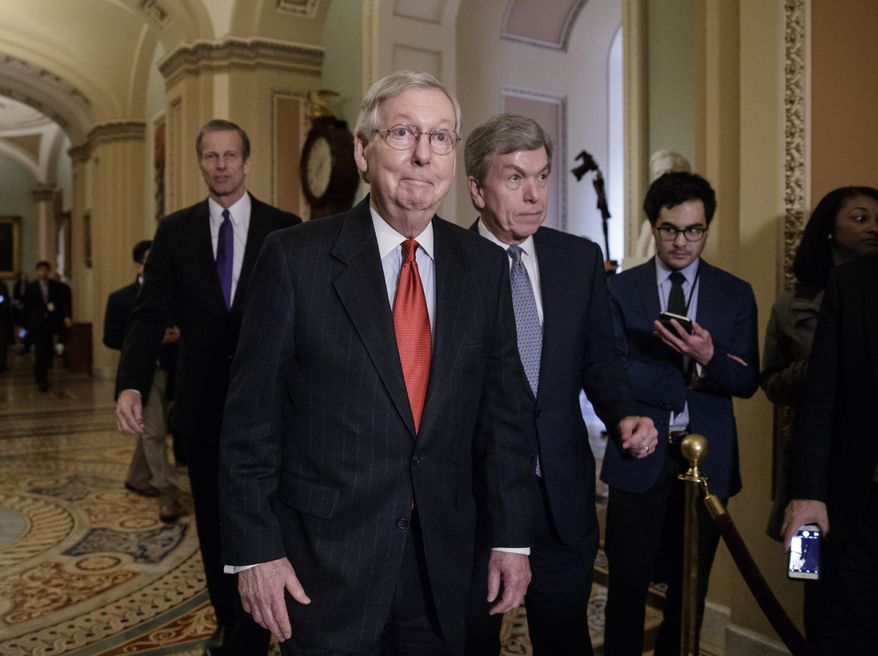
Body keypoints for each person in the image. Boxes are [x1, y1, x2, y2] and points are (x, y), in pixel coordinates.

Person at [218, 71, 534, 656]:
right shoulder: (295, 259)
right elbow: (249, 422)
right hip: (324, 566)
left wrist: (513, 537)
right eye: (403, 132)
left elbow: (507, 418)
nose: (422, 155)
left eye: (441, 138)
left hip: (444, 565)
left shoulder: (484, 270)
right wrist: (257, 550)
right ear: (363, 152)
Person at [461, 113, 657, 655]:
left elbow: (600, 358)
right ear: (477, 188)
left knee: (564, 637)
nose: (533, 195)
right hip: (474, 499)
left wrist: (623, 412)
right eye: (515, 178)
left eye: (542, 176)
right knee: (471, 641)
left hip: (561, 492)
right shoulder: (444, 263)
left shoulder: (578, 259)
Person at [114, 119, 301, 655]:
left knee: (272, 516)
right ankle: (233, 623)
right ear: (199, 163)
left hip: (271, 408)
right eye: (210, 156)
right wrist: (129, 384)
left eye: (230, 155)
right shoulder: (175, 231)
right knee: (216, 523)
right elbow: (150, 315)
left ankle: (270, 617)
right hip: (200, 407)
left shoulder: (284, 228)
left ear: (246, 162)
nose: (221, 165)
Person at [602, 172, 759, 655]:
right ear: (654, 225)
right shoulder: (620, 290)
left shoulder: (734, 292)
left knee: (691, 586)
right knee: (626, 587)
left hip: (708, 460)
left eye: (694, 230)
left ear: (706, 227)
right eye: (670, 229)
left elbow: (749, 380)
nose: (682, 241)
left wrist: (710, 358)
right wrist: (684, 377)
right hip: (639, 455)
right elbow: (609, 368)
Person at [761, 186, 878, 637]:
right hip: (819, 472)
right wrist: (819, 367)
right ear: (830, 229)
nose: (871, 229)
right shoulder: (796, 305)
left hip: (844, 465)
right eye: (859, 218)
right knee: (818, 590)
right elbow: (777, 383)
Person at [782, 252, 878, 655]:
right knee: (837, 633)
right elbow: (821, 396)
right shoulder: (852, 281)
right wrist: (807, 492)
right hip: (859, 509)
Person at [104, 240, 184, 523]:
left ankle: (137, 477)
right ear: (138, 265)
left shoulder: (174, 293)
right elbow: (110, 337)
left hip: (171, 372)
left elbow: (189, 323)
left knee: (154, 427)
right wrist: (142, 339)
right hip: (141, 376)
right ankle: (168, 493)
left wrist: (178, 334)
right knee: (154, 432)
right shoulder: (120, 298)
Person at [23, 260, 72, 391]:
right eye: (40, 270)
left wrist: (66, 317)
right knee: (40, 351)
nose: (43, 273)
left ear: (48, 271)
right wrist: (27, 325)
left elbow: (61, 303)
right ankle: (40, 378)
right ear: (37, 271)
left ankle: (44, 373)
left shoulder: (55, 287)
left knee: (47, 351)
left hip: (50, 324)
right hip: (37, 324)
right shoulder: (31, 287)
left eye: (45, 270)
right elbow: (26, 306)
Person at [0, 277, 10, 372]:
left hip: (1, 318)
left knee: (2, 343)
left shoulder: (2, 286)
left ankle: (2, 364)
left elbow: (4, 300)